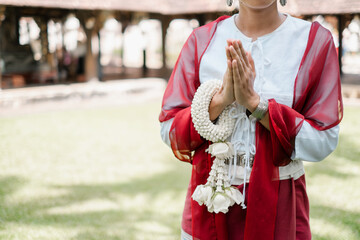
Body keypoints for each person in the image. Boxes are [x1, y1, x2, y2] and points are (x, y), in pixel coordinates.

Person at [159, 0, 343, 239]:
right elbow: (169, 129)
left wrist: (257, 106)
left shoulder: (314, 43)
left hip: (280, 207)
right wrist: (221, 99)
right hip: (209, 204)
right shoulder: (201, 41)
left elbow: (323, 140)